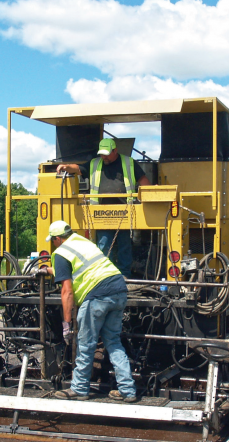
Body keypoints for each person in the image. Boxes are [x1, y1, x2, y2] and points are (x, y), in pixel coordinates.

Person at [40, 220, 137, 402]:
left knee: (86, 344)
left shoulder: (60, 252)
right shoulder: (82, 242)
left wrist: (66, 325)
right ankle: (127, 390)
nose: (53, 244)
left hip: (97, 296)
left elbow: (67, 292)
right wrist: (50, 270)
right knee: (114, 343)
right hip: (118, 289)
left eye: (53, 240)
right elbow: (81, 268)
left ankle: (79, 389)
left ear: (58, 239)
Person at [56, 138, 151, 277]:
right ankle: (107, 276)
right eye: (102, 154)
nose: (104, 157)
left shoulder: (128, 163)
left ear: (115, 151)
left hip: (124, 212)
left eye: (106, 154)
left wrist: (147, 198)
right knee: (104, 245)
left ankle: (125, 276)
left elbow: (144, 181)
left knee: (124, 245)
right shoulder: (95, 163)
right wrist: (66, 167)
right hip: (101, 212)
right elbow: (78, 168)